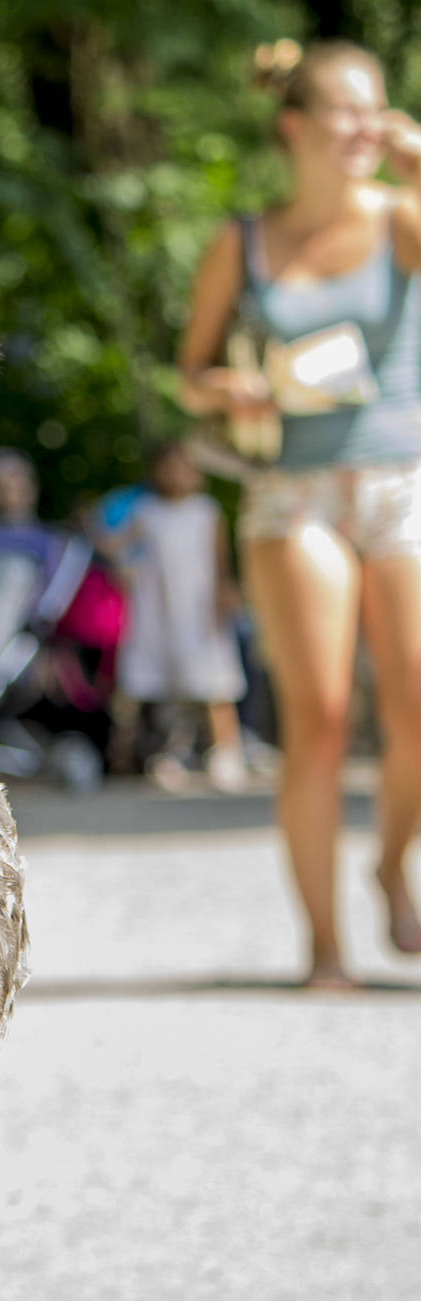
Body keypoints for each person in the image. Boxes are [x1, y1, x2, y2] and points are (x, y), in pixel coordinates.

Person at [178, 36, 421, 987]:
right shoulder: (242, 241)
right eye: (344, 110)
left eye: (375, 107)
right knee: (317, 716)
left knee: (415, 706)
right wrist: (225, 387)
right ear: (294, 125)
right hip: (292, 493)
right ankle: (323, 947)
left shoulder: (400, 217)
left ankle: (390, 864)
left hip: (400, 482)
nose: (365, 125)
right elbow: (190, 372)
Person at [103, 441, 248, 792]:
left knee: (214, 680)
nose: (175, 475)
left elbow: (220, 561)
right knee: (158, 683)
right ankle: (162, 753)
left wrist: (224, 595)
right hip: (158, 612)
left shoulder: (207, 511)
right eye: (167, 467)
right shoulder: (146, 512)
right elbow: (120, 548)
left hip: (199, 610)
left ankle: (226, 750)